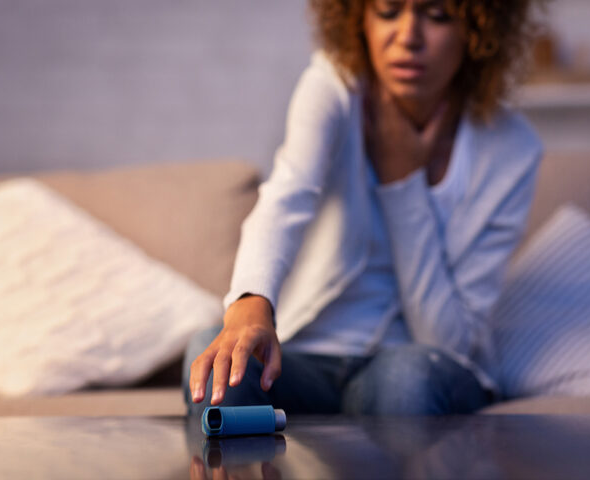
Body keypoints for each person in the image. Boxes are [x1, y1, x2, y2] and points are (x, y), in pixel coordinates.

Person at [184, 0, 543, 417]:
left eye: (439, 15)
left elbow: (446, 342)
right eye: (388, 11)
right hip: (306, 359)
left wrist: (401, 183)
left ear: (479, 31)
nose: (408, 37)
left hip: (418, 363)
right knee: (212, 358)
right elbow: (287, 197)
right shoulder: (333, 87)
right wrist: (250, 301)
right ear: (359, 23)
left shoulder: (513, 150)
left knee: (405, 381)